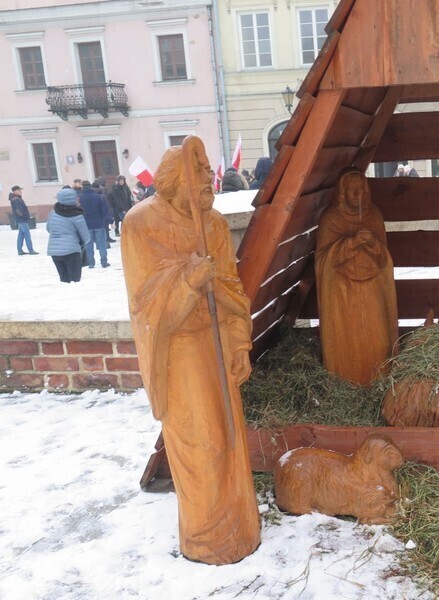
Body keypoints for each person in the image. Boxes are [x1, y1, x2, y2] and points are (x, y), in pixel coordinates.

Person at [120, 136, 260, 565]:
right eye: (199, 173)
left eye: (207, 173)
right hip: (179, 352)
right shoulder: (141, 224)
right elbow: (144, 304)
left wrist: (239, 343)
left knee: (231, 440)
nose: (208, 181)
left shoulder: (213, 224)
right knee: (204, 442)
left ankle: (240, 525)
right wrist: (187, 282)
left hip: (216, 340)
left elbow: (233, 289)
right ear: (176, 178)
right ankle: (206, 537)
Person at [315, 168, 398, 385]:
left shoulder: (374, 216)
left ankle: (378, 382)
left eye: (361, 190)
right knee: (346, 338)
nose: (358, 195)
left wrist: (373, 244)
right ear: (342, 194)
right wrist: (349, 244)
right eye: (352, 191)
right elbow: (323, 260)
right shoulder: (331, 220)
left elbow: (384, 261)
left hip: (372, 288)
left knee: (378, 338)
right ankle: (346, 385)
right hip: (342, 292)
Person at [46, 188, 90, 283]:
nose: (78, 198)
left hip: (55, 252)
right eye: (76, 197)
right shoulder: (77, 215)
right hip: (72, 252)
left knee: (64, 280)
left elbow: (49, 229)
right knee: (75, 281)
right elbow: (86, 237)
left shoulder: (53, 213)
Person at [79, 180, 112, 268]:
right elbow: (104, 210)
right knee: (101, 244)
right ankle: (104, 261)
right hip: (99, 223)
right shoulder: (98, 197)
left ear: (82, 187)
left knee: (89, 245)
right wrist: (109, 220)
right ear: (91, 187)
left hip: (86, 225)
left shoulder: (80, 198)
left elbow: (78, 212)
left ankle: (91, 263)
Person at [9, 185, 38, 255]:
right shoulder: (16, 199)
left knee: (21, 234)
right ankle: (30, 250)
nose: (21, 191)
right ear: (15, 191)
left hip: (20, 219)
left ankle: (20, 250)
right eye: (19, 190)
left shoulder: (16, 198)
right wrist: (25, 216)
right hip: (22, 219)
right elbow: (18, 210)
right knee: (27, 234)